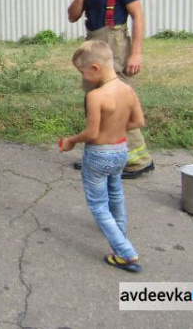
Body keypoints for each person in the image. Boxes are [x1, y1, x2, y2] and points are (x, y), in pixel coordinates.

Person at [67, 0, 154, 179]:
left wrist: (136, 53)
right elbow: (73, 16)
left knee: (117, 103)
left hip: (115, 46)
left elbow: (138, 17)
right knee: (93, 101)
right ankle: (99, 156)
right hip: (93, 46)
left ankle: (138, 161)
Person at [59, 40, 145, 273]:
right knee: (115, 193)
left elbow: (92, 133)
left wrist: (70, 141)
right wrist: (115, 128)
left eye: (82, 72)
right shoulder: (127, 90)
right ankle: (120, 233)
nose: (83, 77)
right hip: (120, 151)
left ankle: (125, 253)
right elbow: (138, 121)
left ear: (95, 68)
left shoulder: (96, 96)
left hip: (99, 155)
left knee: (98, 206)